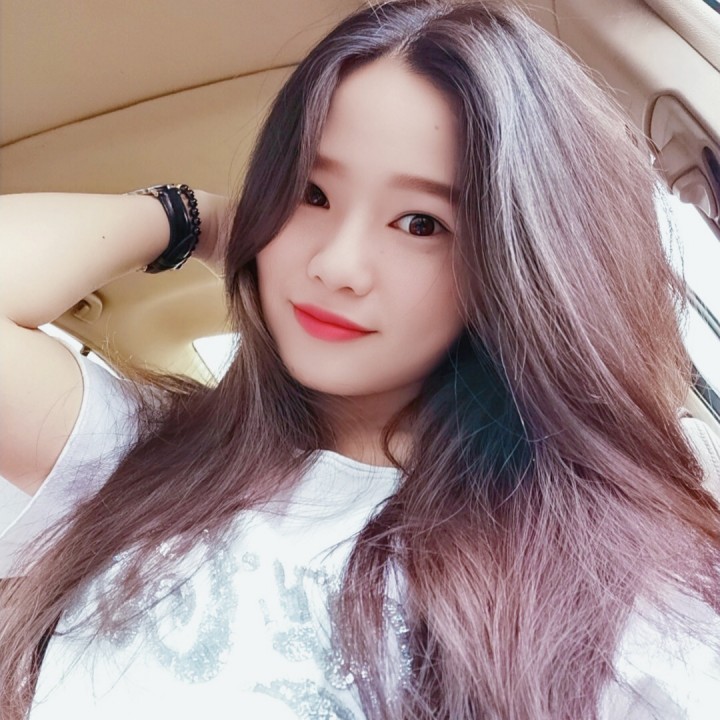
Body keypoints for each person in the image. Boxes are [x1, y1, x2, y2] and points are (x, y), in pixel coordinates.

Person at [1, 1, 720, 718]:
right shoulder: (141, 453)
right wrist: (198, 218)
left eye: (421, 223)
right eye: (309, 193)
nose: (337, 264)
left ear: (518, 263)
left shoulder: (610, 590)